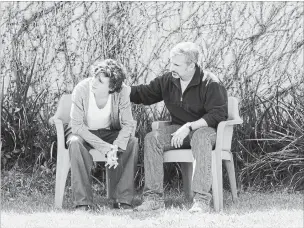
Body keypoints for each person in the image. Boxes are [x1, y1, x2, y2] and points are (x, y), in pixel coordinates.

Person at [129, 42, 228, 213]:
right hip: (178, 130)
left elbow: (218, 115)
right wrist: (119, 89)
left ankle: (201, 200)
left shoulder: (210, 83)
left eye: (176, 64)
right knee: (152, 138)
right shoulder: (168, 80)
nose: (171, 67)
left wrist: (189, 127)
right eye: (171, 62)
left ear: (191, 65)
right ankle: (153, 199)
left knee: (200, 137)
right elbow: (145, 93)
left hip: (206, 131)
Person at [67, 59, 138, 211]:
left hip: (109, 133)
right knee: (74, 142)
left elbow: (128, 124)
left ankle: (122, 200)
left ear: (112, 86)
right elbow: (77, 126)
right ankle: (82, 203)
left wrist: (116, 146)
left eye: (100, 81)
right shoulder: (81, 89)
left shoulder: (123, 91)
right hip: (83, 132)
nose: (94, 82)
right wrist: (106, 148)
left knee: (132, 141)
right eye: (94, 77)